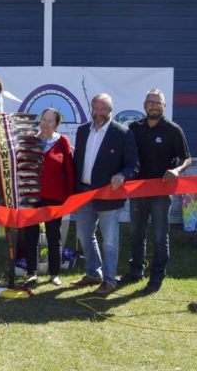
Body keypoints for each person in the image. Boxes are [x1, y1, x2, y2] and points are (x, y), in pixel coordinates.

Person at [119, 89, 191, 294]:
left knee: (160, 235)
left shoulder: (173, 129)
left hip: (161, 192)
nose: (154, 105)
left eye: (158, 103)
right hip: (137, 190)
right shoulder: (134, 127)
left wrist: (177, 170)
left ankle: (157, 275)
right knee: (135, 233)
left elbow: (187, 158)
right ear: (144, 105)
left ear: (164, 107)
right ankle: (135, 271)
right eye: (150, 102)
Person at [72, 93, 139, 296]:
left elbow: (133, 164)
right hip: (83, 193)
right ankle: (93, 273)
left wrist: (122, 174)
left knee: (109, 239)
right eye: (96, 108)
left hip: (109, 196)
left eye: (103, 109)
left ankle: (109, 280)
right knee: (84, 235)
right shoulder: (83, 130)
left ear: (111, 111)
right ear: (91, 109)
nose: (99, 113)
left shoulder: (122, 133)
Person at [22, 108, 75, 286]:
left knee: (54, 236)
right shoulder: (30, 140)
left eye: (49, 120)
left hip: (55, 197)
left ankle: (54, 273)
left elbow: (69, 170)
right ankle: (31, 273)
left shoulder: (63, 141)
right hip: (32, 196)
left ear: (56, 124)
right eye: (43, 119)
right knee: (31, 235)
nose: (45, 123)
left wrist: (70, 197)